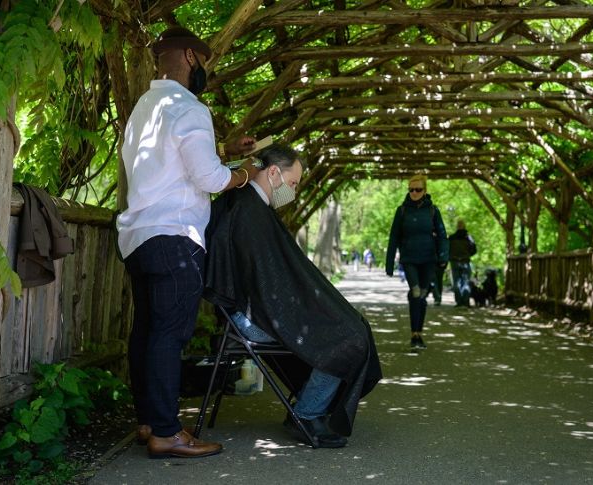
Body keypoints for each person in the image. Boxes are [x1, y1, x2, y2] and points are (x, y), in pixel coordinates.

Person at [116, 26, 263, 459]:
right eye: (206, 62)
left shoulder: (144, 107)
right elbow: (209, 178)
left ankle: (147, 421)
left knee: (145, 330)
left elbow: (170, 161)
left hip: (138, 236)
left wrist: (222, 147)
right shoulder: (190, 107)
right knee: (169, 333)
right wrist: (245, 172)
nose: (207, 71)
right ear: (191, 58)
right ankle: (166, 432)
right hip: (176, 236)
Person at [203, 144, 382, 448]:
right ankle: (308, 413)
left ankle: (311, 405)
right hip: (249, 320)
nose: (294, 192)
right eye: (294, 183)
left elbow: (272, 281)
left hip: (254, 311)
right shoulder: (248, 212)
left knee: (349, 327)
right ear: (273, 172)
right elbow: (264, 286)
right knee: (348, 336)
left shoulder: (250, 206)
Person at [385, 174, 448, 349]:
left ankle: (420, 333)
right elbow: (394, 237)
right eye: (411, 190)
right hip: (409, 258)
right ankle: (414, 335)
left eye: (418, 189)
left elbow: (442, 235)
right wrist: (389, 264)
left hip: (429, 259)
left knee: (421, 296)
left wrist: (443, 256)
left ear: (425, 191)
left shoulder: (433, 211)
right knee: (415, 291)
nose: (414, 192)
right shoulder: (402, 211)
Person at [449, 219, 478, 307]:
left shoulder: (452, 237)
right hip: (465, 261)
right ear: (464, 226)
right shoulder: (469, 238)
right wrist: (468, 254)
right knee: (465, 282)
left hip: (454, 261)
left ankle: (459, 301)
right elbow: (474, 250)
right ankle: (465, 301)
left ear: (457, 227)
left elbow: (447, 249)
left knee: (456, 282)